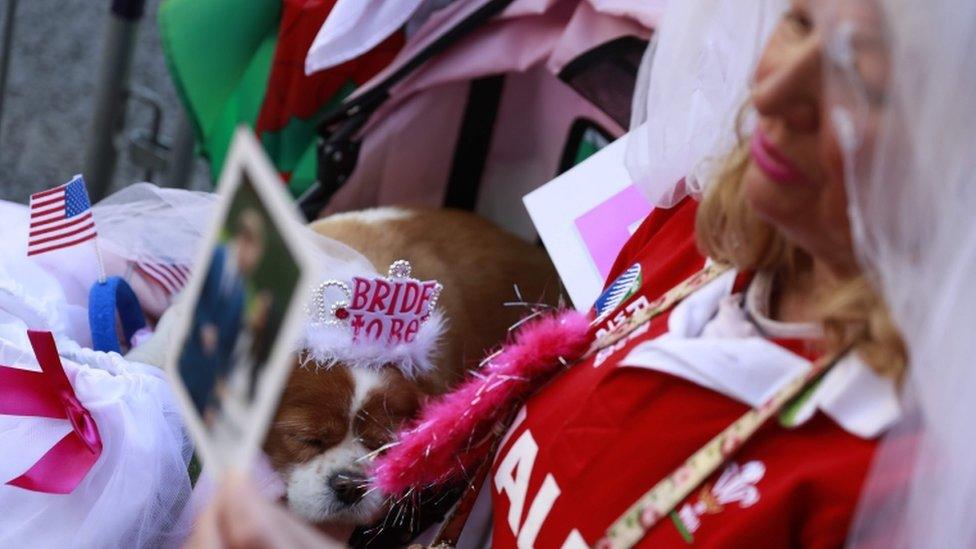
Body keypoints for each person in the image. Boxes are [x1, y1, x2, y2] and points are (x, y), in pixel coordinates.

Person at [186, 0, 909, 546]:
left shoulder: (889, 480)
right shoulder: (689, 221)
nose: (775, 92)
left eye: (864, 81)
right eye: (799, 21)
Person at [180, 208, 266, 415]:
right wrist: (203, 324)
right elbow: (195, 293)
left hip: (202, 387)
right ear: (245, 241)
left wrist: (214, 403)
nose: (254, 261)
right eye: (255, 253)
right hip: (183, 358)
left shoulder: (242, 292)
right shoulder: (213, 255)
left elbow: (227, 348)